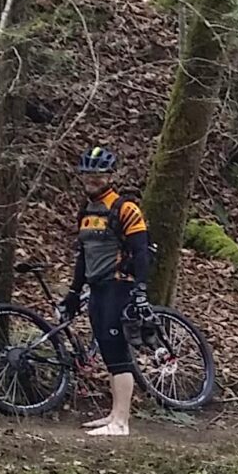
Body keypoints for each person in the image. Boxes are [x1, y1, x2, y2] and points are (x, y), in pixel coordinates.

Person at [61, 146, 151, 438]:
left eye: (98, 175)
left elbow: (140, 252)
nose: (93, 180)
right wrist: (74, 292)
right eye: (88, 175)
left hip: (119, 286)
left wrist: (140, 289)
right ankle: (113, 413)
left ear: (110, 176)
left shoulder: (125, 208)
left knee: (117, 351)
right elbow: (83, 257)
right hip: (97, 288)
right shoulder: (86, 212)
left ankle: (122, 422)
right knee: (107, 351)